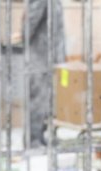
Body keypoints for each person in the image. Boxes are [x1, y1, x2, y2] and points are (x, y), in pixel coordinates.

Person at [22, 0, 65, 148]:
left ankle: (41, 135)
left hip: (51, 54)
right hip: (39, 54)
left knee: (48, 99)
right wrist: (23, 37)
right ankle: (33, 139)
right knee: (37, 99)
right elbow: (30, 21)